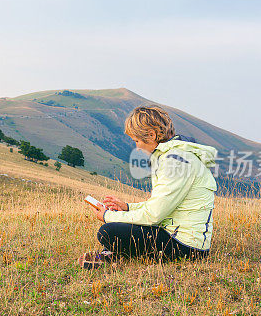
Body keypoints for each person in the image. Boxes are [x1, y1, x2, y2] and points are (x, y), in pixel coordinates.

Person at [78, 106, 217, 269]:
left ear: (151, 135)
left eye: (137, 141)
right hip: (181, 238)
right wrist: (127, 207)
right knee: (118, 229)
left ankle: (112, 254)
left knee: (108, 231)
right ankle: (112, 253)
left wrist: (108, 216)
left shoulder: (176, 162)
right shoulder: (175, 157)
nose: (137, 147)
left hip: (185, 246)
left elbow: (154, 216)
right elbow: (159, 205)